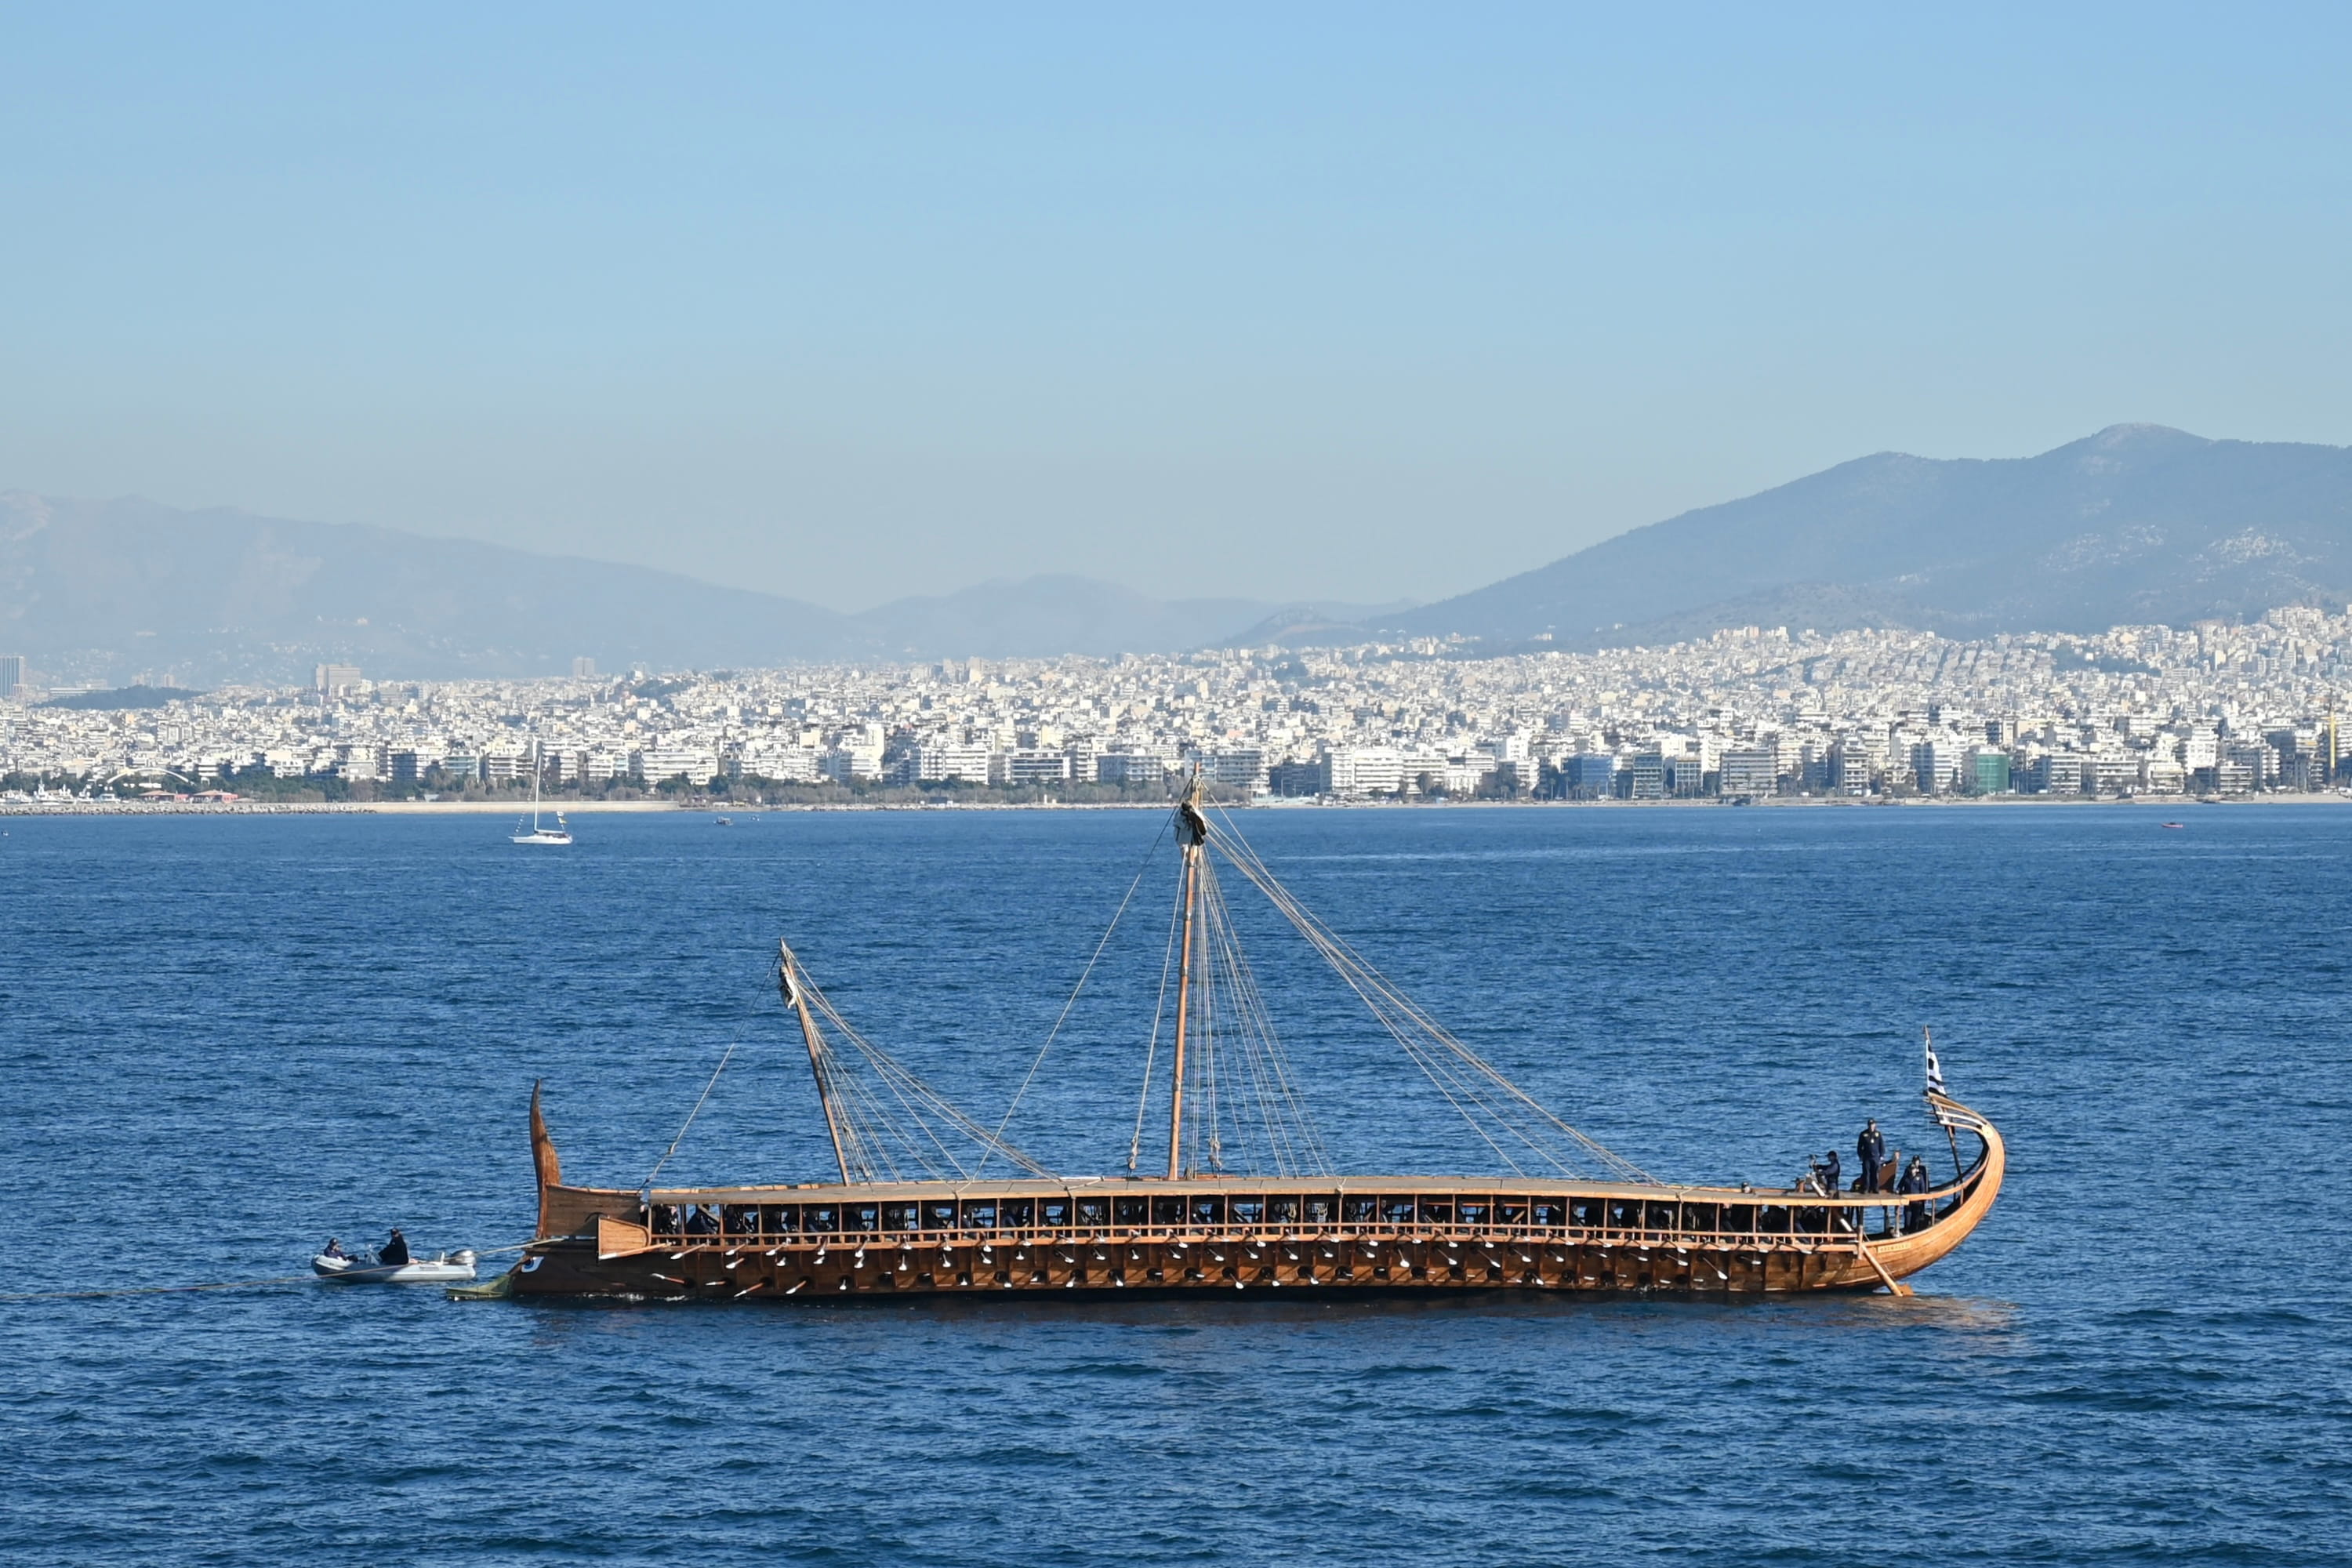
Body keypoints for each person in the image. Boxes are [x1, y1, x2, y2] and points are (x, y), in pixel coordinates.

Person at [1901, 1157, 1932, 1232]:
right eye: (1911, 1169)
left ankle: (1914, 1230)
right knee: (1908, 1217)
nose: (1912, 1170)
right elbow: (1901, 1184)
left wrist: (1924, 1196)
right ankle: (1907, 1230)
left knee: (1916, 1217)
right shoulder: (1906, 1177)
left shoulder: (1921, 1174)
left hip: (1917, 1200)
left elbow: (1923, 1186)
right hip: (1908, 1200)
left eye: (1913, 1169)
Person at [1857, 1120, 1886, 1193]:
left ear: (1875, 1125)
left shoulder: (1878, 1134)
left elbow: (1881, 1145)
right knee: (1866, 1173)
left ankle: (1875, 1189)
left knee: (1875, 1173)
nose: (1871, 1126)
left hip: (1875, 1157)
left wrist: (1882, 1155)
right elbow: (1859, 1146)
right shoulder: (1863, 1134)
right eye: (1870, 1125)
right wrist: (1860, 1155)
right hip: (1867, 1157)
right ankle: (1866, 1188)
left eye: (1873, 1124)